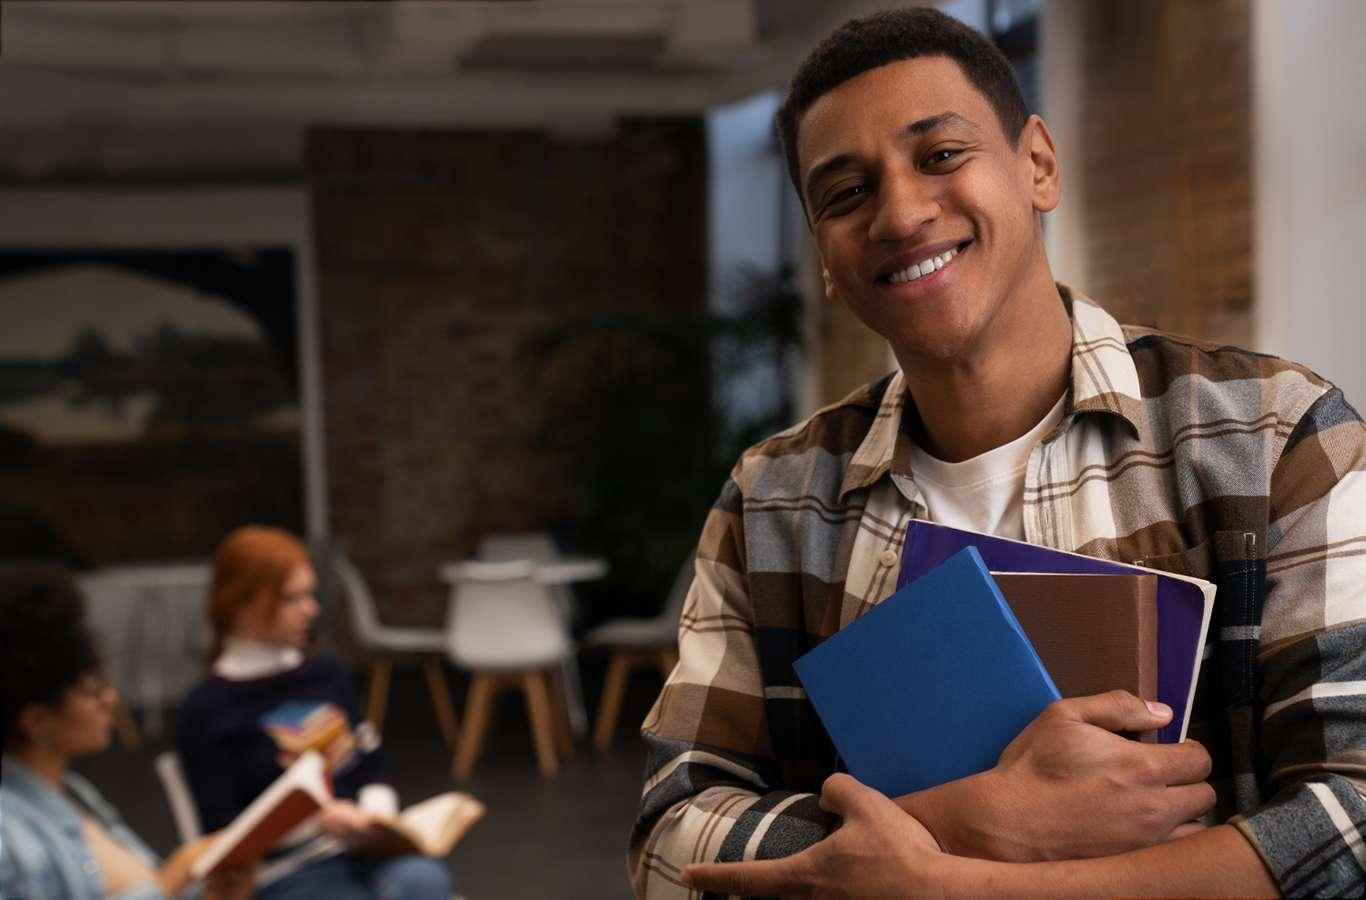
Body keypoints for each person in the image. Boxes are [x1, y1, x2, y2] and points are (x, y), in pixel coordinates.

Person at [631, 7, 1366, 898]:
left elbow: (1352, 819)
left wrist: (955, 883)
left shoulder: (1274, 436)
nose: (901, 213)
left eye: (941, 155)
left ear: (1038, 166)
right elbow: (671, 840)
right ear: (823, 255)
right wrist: (970, 820)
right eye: (846, 194)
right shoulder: (773, 502)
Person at [177, 525, 452, 900]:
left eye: (309, 595)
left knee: (423, 881)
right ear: (242, 604)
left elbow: (370, 763)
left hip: (364, 847)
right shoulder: (207, 708)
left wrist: (374, 820)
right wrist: (316, 822)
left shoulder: (326, 673)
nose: (311, 609)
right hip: (285, 868)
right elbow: (220, 830)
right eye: (292, 598)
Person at [0, 564, 253, 900]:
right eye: (92, 691)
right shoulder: (10, 836)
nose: (110, 699)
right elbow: (155, 886)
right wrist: (169, 882)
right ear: (37, 721)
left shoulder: (75, 793)